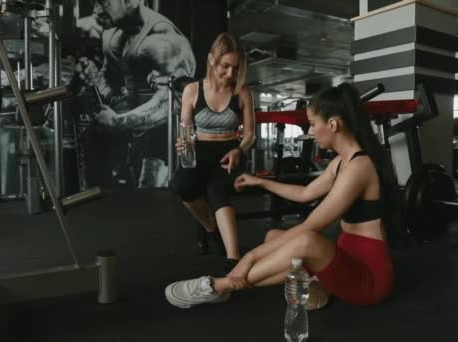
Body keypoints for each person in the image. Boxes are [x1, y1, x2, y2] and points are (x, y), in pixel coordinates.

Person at [165, 82, 402, 309]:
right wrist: (261, 181)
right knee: (273, 236)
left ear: (332, 124)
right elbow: (306, 193)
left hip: (368, 278)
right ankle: (315, 285)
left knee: (305, 240)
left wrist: (247, 259)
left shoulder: (358, 168)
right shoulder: (342, 161)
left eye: (312, 123)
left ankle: (221, 286)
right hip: (345, 258)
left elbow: (311, 226)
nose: (310, 131)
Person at [76, 0, 196, 188]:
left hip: (164, 134)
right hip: (132, 132)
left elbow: (172, 102)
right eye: (95, 3)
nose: (96, 10)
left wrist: (117, 122)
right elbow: (115, 92)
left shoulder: (162, 39)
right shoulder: (111, 34)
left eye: (104, 3)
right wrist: (97, 80)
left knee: (152, 198)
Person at [168, 32, 255, 271]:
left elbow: (249, 135)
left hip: (230, 151)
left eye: (236, 68)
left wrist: (240, 149)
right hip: (200, 149)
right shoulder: (192, 90)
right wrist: (184, 142)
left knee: (217, 189)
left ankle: (234, 259)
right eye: (225, 66)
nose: (230, 74)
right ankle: (211, 228)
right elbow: (186, 129)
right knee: (180, 186)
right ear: (211, 60)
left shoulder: (243, 92)